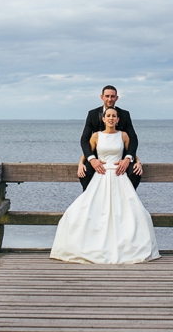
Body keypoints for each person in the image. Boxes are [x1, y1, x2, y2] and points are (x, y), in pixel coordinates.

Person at [50, 107, 160, 264]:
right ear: (103, 119)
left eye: (114, 116)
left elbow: (131, 153)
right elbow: (88, 153)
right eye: (108, 115)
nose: (111, 118)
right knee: (88, 210)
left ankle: (128, 246)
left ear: (118, 119)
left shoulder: (124, 136)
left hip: (118, 175)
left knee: (128, 211)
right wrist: (81, 164)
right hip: (101, 175)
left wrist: (139, 162)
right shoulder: (96, 136)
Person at [79, 85, 142, 191]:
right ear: (102, 97)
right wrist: (92, 159)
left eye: (112, 96)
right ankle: (89, 197)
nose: (109, 99)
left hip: (119, 156)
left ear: (116, 98)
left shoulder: (124, 115)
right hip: (98, 155)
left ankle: (128, 195)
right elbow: (84, 140)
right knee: (85, 172)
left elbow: (133, 139)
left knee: (134, 172)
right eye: (107, 96)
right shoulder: (92, 114)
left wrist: (128, 158)